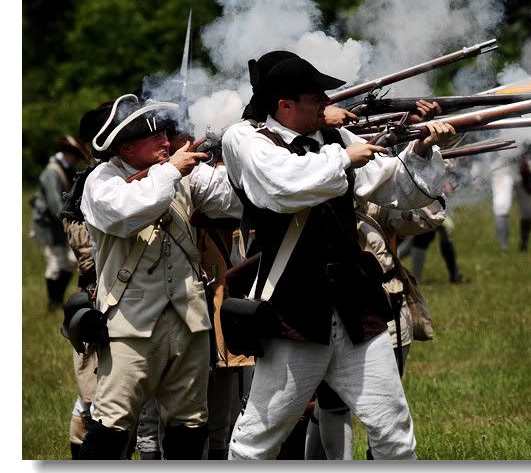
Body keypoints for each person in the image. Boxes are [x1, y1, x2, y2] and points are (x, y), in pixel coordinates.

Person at [222, 51, 453, 460]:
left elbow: (392, 187)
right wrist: (344, 158)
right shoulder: (245, 141)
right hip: (292, 311)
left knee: (394, 434)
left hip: (353, 305)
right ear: (285, 105)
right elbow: (283, 188)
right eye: (316, 97)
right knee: (254, 444)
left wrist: (421, 148)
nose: (327, 103)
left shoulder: (332, 140)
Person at [77, 94, 242, 459]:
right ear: (129, 147)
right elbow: (129, 211)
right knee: (110, 429)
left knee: (189, 427)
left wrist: (243, 150)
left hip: (190, 321)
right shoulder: (101, 182)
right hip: (130, 327)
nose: (168, 142)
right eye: (157, 139)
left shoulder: (176, 171)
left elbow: (234, 200)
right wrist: (171, 170)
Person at [304, 199, 445, 460]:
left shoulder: (376, 195)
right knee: (330, 406)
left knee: (384, 412)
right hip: (332, 313)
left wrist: (426, 189)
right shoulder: (316, 193)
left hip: (386, 315)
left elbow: (417, 219)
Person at [31, 136, 90, 310]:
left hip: (61, 224)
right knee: (55, 264)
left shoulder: (65, 169)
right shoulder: (52, 171)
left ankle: (58, 301)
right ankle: (53, 303)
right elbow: (54, 202)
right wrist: (70, 222)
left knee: (70, 262)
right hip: (49, 226)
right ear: (68, 153)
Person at [490, 153, 531, 252]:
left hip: (523, 161)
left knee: (528, 209)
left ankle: (524, 244)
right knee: (501, 205)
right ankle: (504, 247)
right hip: (501, 164)